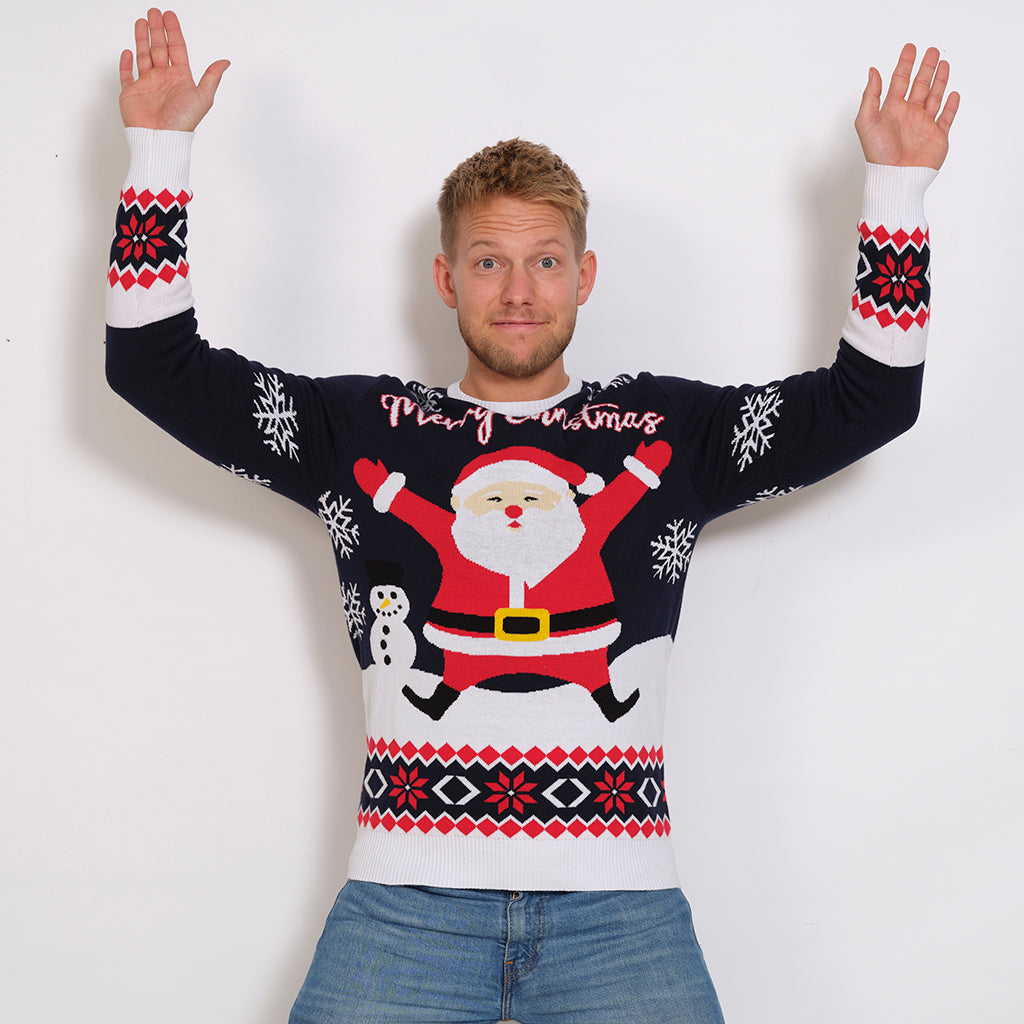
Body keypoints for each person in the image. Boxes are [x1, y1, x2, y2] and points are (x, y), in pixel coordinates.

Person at [106, 10, 958, 1024]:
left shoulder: (665, 433)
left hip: (623, 914)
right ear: (446, 278)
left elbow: (873, 402)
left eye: (545, 261)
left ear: (584, 277)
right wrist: (159, 150)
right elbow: (151, 365)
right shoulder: (360, 431)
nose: (518, 291)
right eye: (488, 262)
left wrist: (896, 191)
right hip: (403, 910)